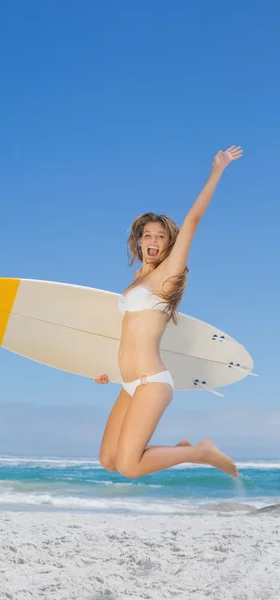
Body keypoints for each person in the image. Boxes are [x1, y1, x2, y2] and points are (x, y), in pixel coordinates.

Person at [96, 146, 243, 479]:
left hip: (152, 381)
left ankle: (199, 451)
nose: (153, 240)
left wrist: (217, 169)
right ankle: (181, 449)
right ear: (138, 240)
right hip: (129, 382)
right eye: (147, 235)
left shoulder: (169, 273)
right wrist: (104, 369)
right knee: (108, 459)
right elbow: (126, 335)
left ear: (167, 244)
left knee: (129, 466)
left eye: (160, 236)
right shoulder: (136, 280)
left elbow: (192, 219)